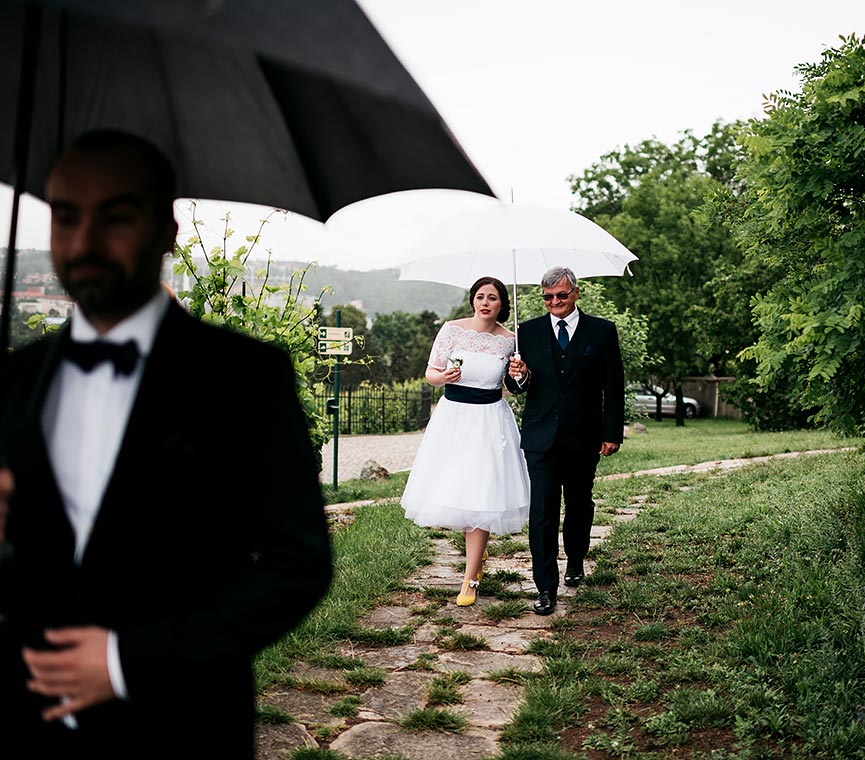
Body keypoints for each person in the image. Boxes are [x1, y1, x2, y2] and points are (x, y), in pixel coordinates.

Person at [0, 129, 333, 759]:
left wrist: (128, 660)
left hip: (183, 729)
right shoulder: (15, 381)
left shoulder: (245, 377)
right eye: (66, 217)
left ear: (167, 229)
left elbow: (298, 566)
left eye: (116, 216)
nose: (85, 242)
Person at [401, 276, 529, 606]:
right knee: (462, 489)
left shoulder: (509, 341)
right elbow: (431, 373)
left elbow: (515, 386)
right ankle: (478, 556)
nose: (486, 303)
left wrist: (519, 373)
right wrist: (443, 378)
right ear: (472, 300)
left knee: (482, 494)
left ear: (503, 304)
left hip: (489, 420)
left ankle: (470, 578)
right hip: (454, 418)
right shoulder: (451, 330)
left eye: (494, 298)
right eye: (481, 297)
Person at [506, 266, 624, 615]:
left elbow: (613, 385)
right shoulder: (524, 333)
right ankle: (545, 587)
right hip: (540, 438)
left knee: (578, 505)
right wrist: (520, 376)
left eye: (561, 295)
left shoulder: (602, 331)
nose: (555, 302)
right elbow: (514, 387)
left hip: (583, 436)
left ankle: (576, 558)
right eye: (548, 297)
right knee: (542, 513)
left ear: (575, 293)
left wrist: (611, 432)